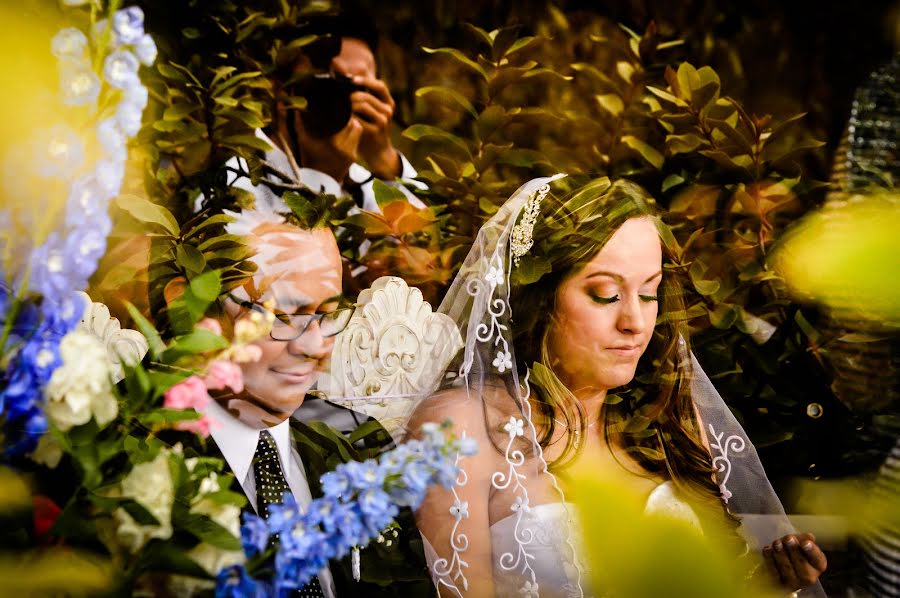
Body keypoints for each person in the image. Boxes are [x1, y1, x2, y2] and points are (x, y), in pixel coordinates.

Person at [405, 175, 829, 597]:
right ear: (539, 298)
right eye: (605, 294)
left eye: (649, 294)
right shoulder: (459, 428)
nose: (635, 323)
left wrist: (765, 586)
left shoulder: (667, 421)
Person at [198, 207, 431, 597]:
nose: (313, 346)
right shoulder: (134, 462)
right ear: (204, 309)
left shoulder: (364, 446)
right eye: (283, 314)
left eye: (327, 314)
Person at [218, 12, 424, 217]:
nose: (336, 98)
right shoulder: (233, 183)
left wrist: (385, 159)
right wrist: (322, 176)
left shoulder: (366, 187)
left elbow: (426, 243)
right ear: (279, 90)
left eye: (352, 86)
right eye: (323, 84)